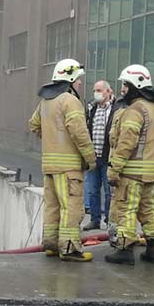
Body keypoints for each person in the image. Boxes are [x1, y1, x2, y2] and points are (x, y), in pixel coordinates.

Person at [29, 58, 98, 262]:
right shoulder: (70, 101)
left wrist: (50, 139)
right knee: (71, 207)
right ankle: (69, 248)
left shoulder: (45, 101)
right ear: (69, 79)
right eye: (77, 80)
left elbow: (34, 124)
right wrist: (90, 158)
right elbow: (79, 133)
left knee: (53, 206)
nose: (79, 83)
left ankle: (51, 243)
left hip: (49, 166)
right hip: (68, 168)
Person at [104, 64, 154, 266]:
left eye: (125, 85)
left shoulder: (135, 110)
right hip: (150, 171)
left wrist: (114, 169)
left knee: (126, 210)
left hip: (131, 173)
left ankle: (125, 249)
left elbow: (126, 143)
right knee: (148, 210)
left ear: (135, 85)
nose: (122, 89)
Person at [84, 80, 117, 230]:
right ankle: (94, 219)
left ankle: (109, 220)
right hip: (93, 156)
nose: (96, 93)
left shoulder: (116, 109)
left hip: (108, 157)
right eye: (94, 90)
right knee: (92, 190)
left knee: (109, 191)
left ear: (108, 92)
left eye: (99, 90)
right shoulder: (92, 109)